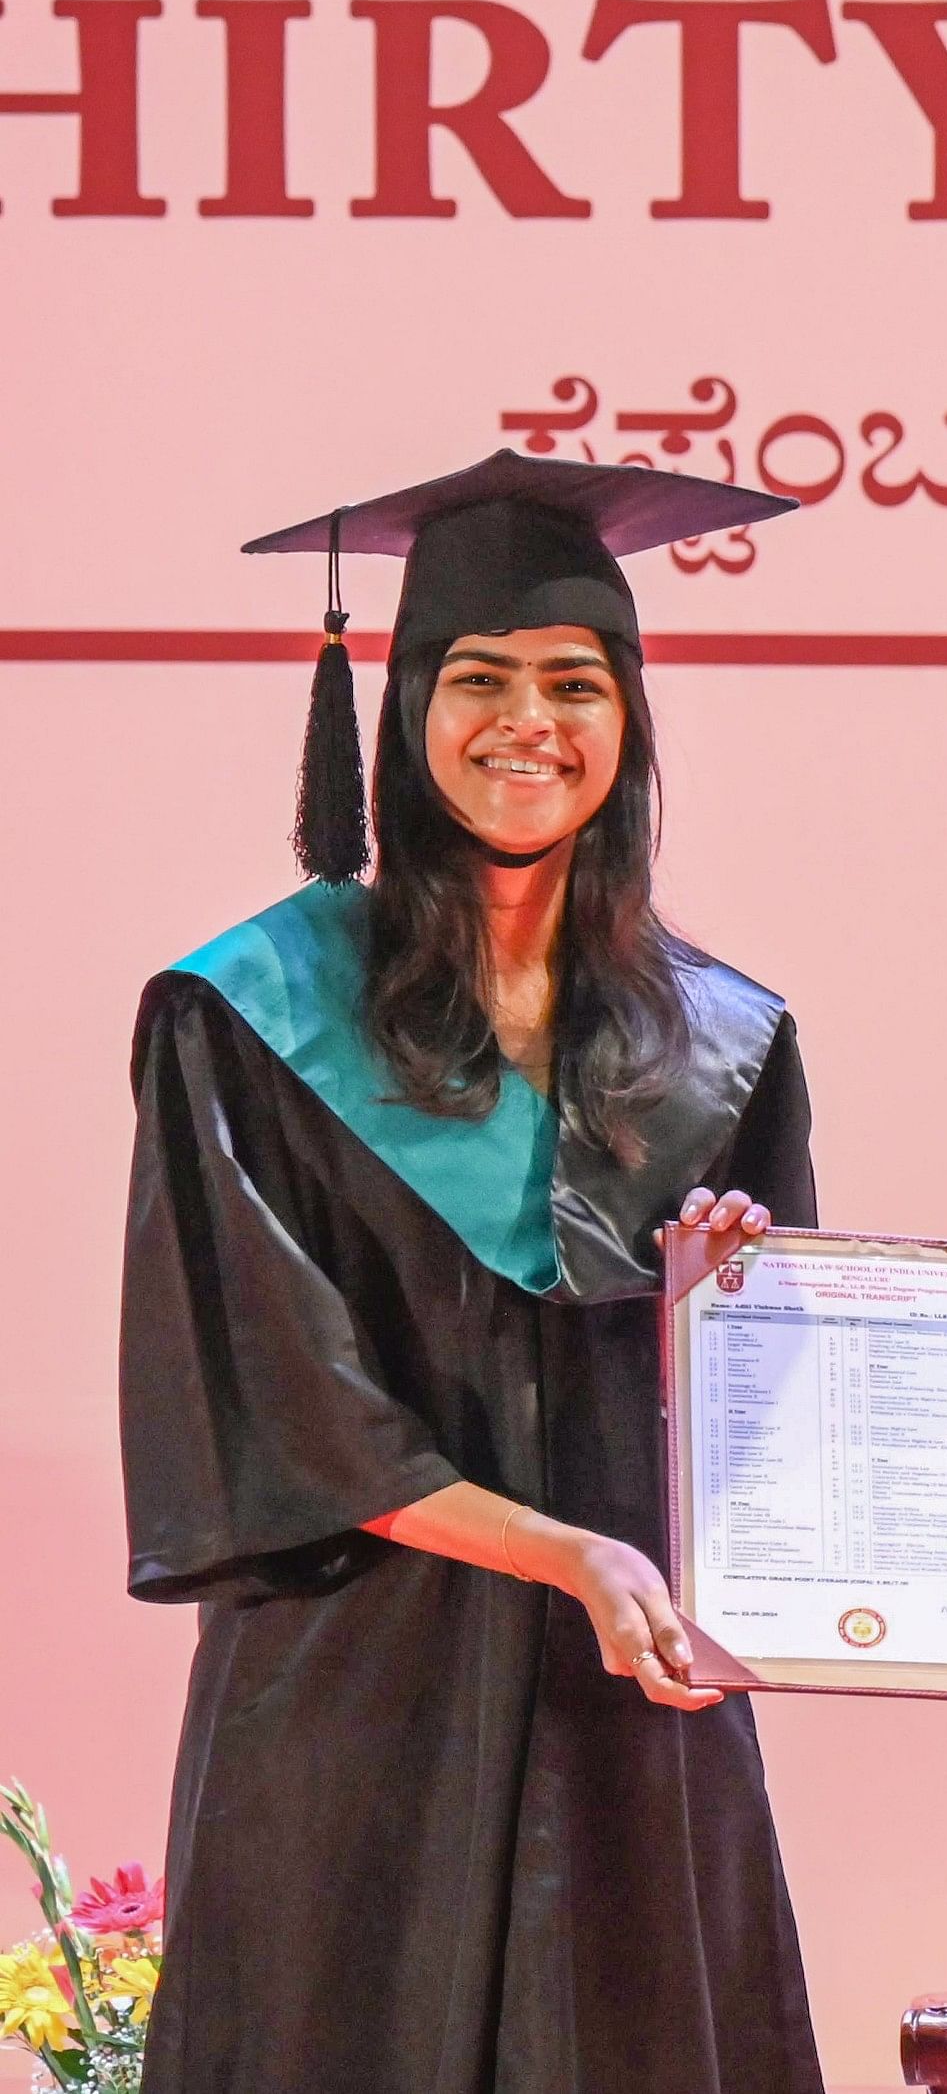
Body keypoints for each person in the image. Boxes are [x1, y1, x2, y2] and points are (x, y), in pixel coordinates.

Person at [121, 452, 824, 2094]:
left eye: (577, 682)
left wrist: (724, 1323)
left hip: (627, 1714)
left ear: (632, 722)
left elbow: (771, 1441)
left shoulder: (723, 1044)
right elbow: (283, 1403)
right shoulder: (250, 1016)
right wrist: (561, 1551)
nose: (531, 722)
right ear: (406, 713)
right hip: (363, 1704)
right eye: (480, 679)